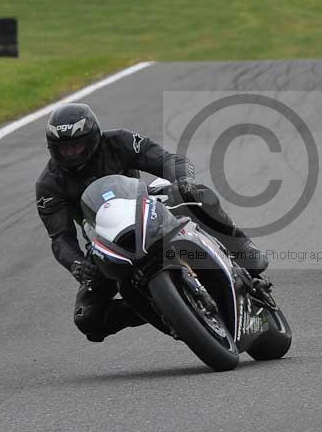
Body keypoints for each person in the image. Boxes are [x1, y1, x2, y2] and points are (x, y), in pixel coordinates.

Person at [35, 103, 268, 342]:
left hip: (149, 210)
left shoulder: (120, 142)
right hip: (104, 242)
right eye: (65, 149)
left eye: (77, 145)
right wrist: (77, 264)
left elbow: (169, 159)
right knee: (88, 318)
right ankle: (166, 310)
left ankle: (241, 248)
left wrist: (183, 181)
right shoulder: (49, 185)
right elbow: (60, 238)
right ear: (53, 149)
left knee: (195, 194)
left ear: (93, 138)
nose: (72, 153)